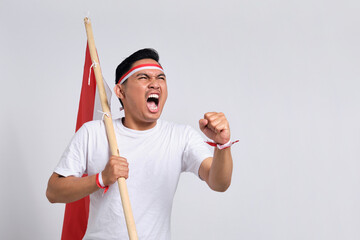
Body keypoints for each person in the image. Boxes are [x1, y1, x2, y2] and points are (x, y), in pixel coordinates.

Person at [46, 48, 236, 239]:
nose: (155, 84)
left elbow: (219, 182)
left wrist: (222, 145)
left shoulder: (180, 136)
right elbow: (54, 191)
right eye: (144, 77)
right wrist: (101, 178)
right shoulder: (93, 133)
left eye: (161, 78)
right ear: (120, 91)